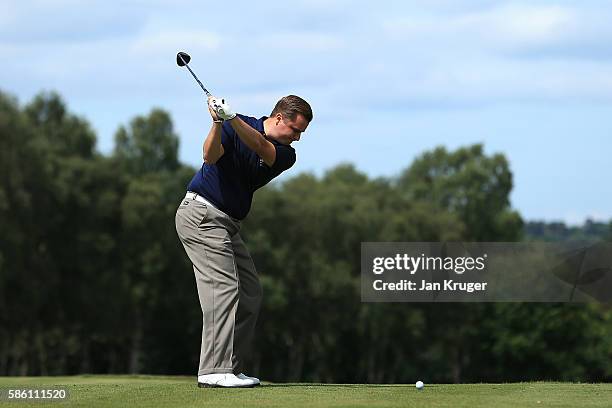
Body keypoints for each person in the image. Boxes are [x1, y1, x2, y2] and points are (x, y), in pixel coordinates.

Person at [175, 95, 312, 388]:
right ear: (278, 118)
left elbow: (261, 146)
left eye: (301, 133)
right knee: (223, 287)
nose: (298, 138)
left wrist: (230, 118)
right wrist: (216, 123)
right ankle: (213, 370)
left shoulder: (285, 154)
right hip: (202, 214)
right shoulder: (233, 123)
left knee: (250, 292)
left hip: (227, 224)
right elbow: (209, 156)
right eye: (295, 130)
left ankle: (230, 368)